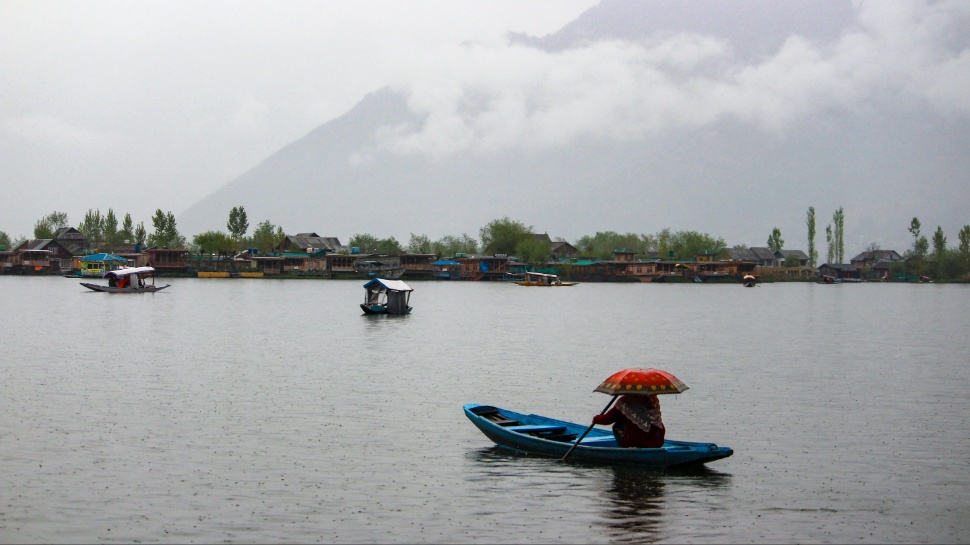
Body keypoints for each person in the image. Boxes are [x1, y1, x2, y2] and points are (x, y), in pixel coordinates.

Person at [592, 394, 665, 448]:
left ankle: (624, 450)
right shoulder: (652, 398)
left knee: (616, 426)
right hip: (657, 440)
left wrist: (596, 419)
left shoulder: (625, 401)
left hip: (638, 442)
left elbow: (608, 419)